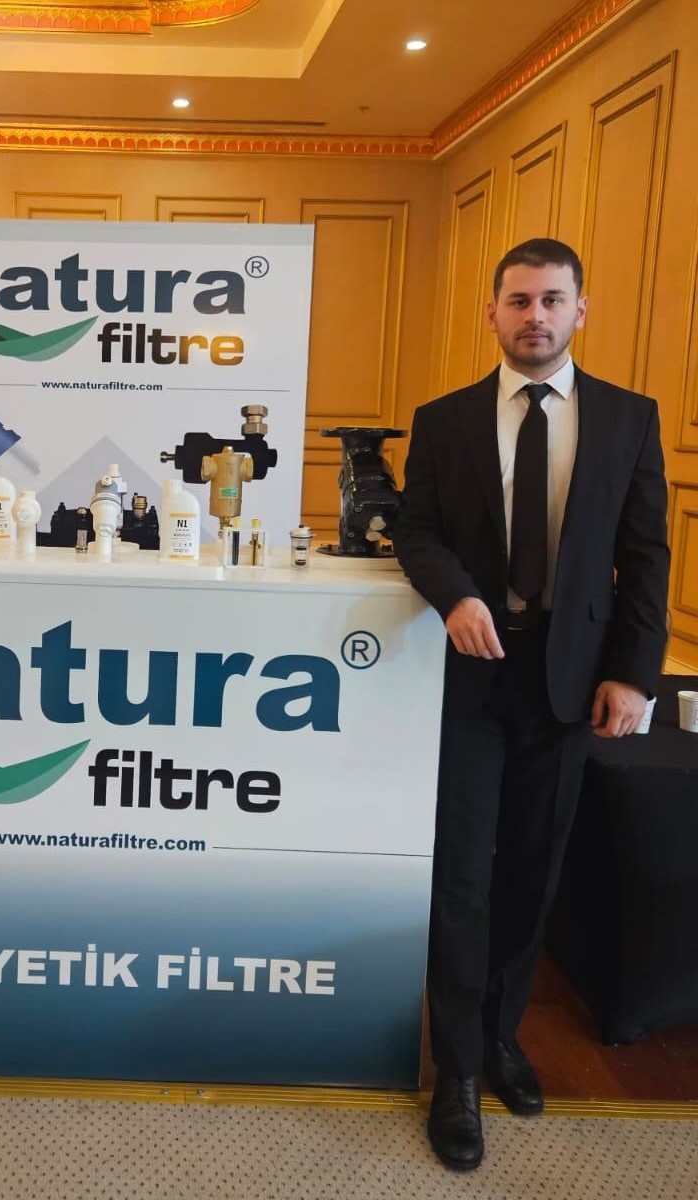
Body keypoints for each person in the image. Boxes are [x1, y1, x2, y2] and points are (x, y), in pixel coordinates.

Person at [393, 238, 669, 1171]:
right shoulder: (444, 420)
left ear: (580, 311)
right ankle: (458, 1071)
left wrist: (634, 674)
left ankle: (504, 1034)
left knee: (531, 875)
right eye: (518, 300)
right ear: (493, 312)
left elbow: (646, 556)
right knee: (463, 879)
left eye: (552, 300)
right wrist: (454, 595)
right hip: (473, 677)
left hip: (571, 683)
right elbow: (416, 530)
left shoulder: (630, 419)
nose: (535, 316)